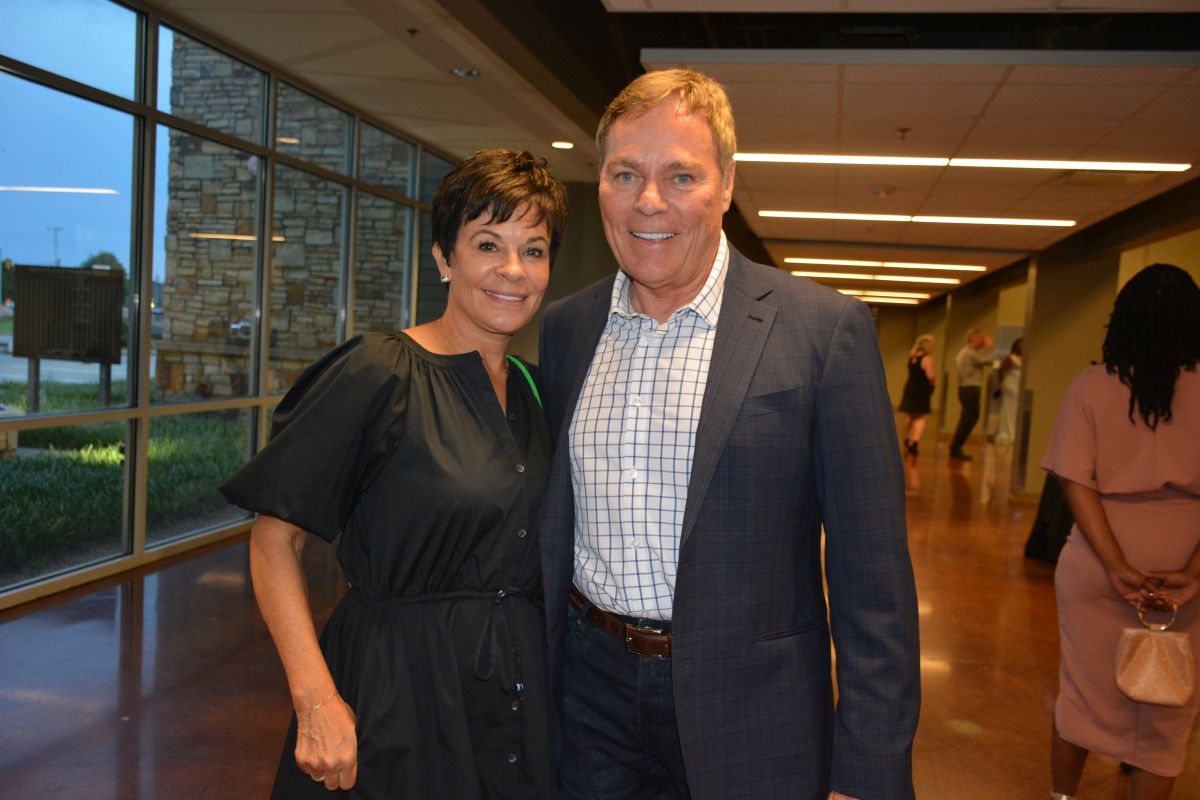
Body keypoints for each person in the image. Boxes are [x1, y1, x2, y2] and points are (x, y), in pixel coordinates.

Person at [537, 68, 920, 800]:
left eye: (681, 176)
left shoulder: (822, 333)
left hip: (752, 707)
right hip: (589, 699)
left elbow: (874, 581)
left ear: (726, 183)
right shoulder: (567, 328)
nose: (650, 201)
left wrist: (868, 772)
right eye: (626, 174)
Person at [219, 149, 567, 798]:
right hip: (398, 696)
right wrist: (316, 699)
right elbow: (274, 540)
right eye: (488, 244)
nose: (513, 270)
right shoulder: (382, 371)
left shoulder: (538, 390)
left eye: (534, 250)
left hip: (516, 703)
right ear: (443, 257)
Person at [1041, 263, 1200, 800]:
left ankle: (1063, 798)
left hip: (1096, 565)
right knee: (1168, 711)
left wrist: (1115, 565)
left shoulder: (1091, 386)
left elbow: (1075, 483)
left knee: (1081, 694)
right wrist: (1193, 572)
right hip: (1186, 576)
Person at [948, 327, 994, 461]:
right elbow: (989, 360)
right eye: (981, 338)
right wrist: (990, 347)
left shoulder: (965, 352)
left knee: (967, 419)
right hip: (970, 389)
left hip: (966, 389)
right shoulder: (969, 353)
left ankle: (956, 445)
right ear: (974, 339)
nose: (983, 340)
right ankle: (956, 447)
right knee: (969, 419)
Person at [898, 333, 936, 456]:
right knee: (920, 417)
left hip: (910, 388)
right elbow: (930, 376)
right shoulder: (927, 359)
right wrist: (932, 385)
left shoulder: (912, 357)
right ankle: (914, 441)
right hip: (921, 389)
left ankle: (908, 437)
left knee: (910, 416)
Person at [993, 337, 1024, 445]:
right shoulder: (1011, 359)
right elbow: (1001, 370)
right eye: (1022, 345)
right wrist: (1001, 384)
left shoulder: (1025, 358)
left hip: (1019, 386)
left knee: (1015, 410)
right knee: (1008, 409)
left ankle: (1013, 432)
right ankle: (1006, 433)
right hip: (1010, 385)